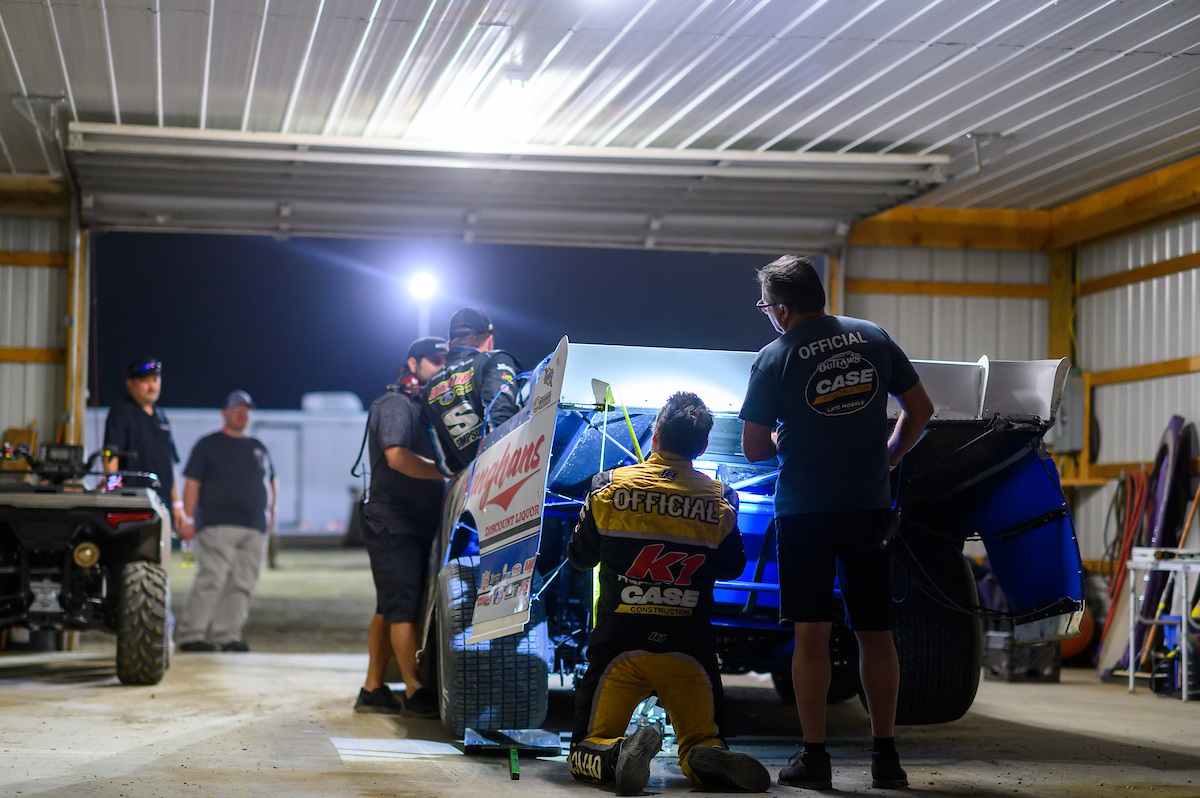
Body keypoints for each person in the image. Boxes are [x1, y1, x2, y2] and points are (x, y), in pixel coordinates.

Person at [738, 255, 934, 791]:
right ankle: (886, 758)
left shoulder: (774, 357)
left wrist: (783, 437)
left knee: (812, 635)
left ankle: (815, 758)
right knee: (876, 633)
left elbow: (754, 449)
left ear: (781, 308)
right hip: (868, 510)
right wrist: (888, 459)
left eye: (766, 308)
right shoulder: (872, 337)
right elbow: (920, 409)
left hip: (805, 513)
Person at [567, 391, 772, 795]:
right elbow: (732, 568)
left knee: (584, 750)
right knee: (705, 739)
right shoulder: (721, 498)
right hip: (689, 651)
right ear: (704, 446)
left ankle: (617, 753)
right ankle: (701, 756)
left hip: (620, 650)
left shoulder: (608, 487)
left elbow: (579, 558)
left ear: (655, 434)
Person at [355, 336, 449, 717]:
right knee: (403, 607)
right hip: (394, 522)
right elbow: (395, 457)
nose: (440, 366)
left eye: (445, 360)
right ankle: (414, 690)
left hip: (409, 521)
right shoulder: (397, 404)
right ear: (412, 365)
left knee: (389, 605)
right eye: (432, 360)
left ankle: (373, 688)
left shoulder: (423, 406)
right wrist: (444, 472)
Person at [176, 390, 278, 652]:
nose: (242, 414)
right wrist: (187, 519)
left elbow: (271, 481)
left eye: (246, 410)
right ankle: (192, 635)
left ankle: (228, 636)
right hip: (216, 524)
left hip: (254, 526)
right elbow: (192, 484)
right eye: (236, 409)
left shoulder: (258, 447)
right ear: (224, 413)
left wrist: (272, 513)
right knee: (211, 579)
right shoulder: (208, 445)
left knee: (242, 583)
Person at [422, 307, 521, 474]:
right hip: (504, 472)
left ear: (449, 345)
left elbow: (447, 464)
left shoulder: (429, 389)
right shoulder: (495, 360)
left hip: (469, 486)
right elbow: (499, 416)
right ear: (489, 340)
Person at [103, 356, 185, 531]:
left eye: (155, 380)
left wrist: (177, 503)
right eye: (145, 381)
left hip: (162, 505)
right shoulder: (122, 411)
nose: (152, 386)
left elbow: (170, 463)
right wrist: (115, 491)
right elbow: (110, 454)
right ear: (130, 384)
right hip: (134, 503)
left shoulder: (161, 416)